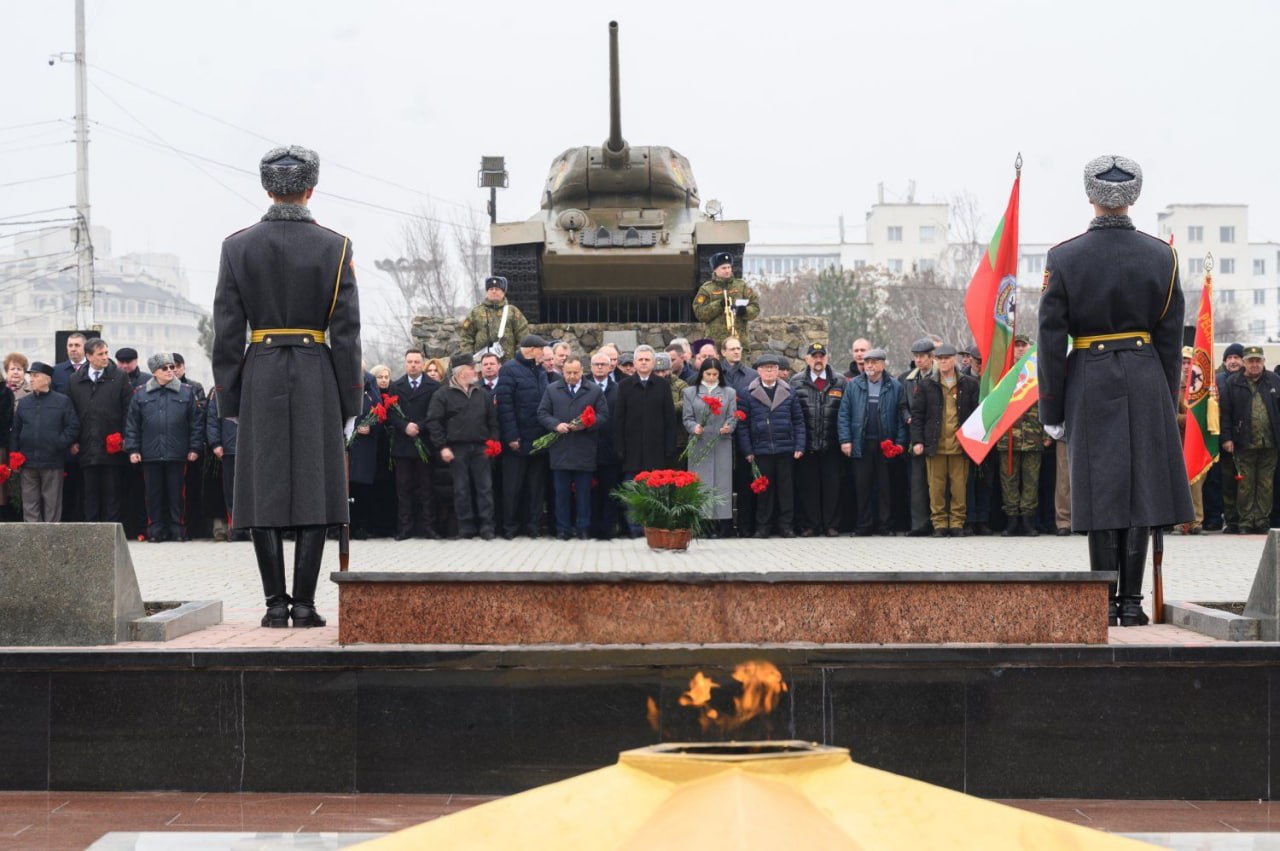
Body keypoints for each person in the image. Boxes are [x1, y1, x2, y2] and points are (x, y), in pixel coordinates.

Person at [1038, 154, 1192, 627]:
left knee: (1100, 489)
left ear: (1090, 196)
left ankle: (1102, 603)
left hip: (1090, 375)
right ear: (1134, 197)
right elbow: (1170, 337)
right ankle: (1131, 604)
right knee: (1143, 489)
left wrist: (1052, 406)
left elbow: (1049, 336)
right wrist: (1167, 400)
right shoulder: (1161, 255)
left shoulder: (1064, 257)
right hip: (1146, 375)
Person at [212, 144, 362, 628]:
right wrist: (350, 401)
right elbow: (346, 332)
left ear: (266, 188)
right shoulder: (335, 246)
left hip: (260, 373)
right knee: (317, 487)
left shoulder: (237, 246)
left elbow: (228, 331)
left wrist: (231, 398)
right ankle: (306, 605)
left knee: (262, 488)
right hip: (317, 370)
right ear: (310, 189)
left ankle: (275, 605)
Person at [125, 353, 204, 542]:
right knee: (153, 495)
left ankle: (178, 529)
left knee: (178, 495)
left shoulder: (186, 392)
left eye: (171, 367)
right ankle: (155, 530)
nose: (170, 371)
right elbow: (132, 425)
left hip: (178, 453)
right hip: (150, 454)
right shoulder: (141, 394)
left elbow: (196, 423)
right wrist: (133, 449)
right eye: (165, 368)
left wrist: (195, 447)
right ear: (154, 372)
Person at [427, 353, 499, 539]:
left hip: (481, 448)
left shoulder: (482, 393)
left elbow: (493, 421)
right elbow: (434, 422)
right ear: (460, 372)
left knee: (485, 488)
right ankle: (466, 528)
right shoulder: (442, 394)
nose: (475, 371)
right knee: (461, 489)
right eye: (470, 368)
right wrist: (442, 446)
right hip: (456, 449)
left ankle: (487, 527)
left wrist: (493, 442)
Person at [910, 343, 978, 537]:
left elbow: (975, 415)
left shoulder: (969, 383)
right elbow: (917, 416)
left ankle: (957, 523)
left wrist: (974, 442)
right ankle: (939, 524)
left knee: (959, 488)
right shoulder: (926, 384)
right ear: (935, 360)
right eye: (939, 359)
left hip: (959, 446)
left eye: (947, 358)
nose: (943, 362)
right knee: (936, 488)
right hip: (935, 445)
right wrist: (917, 441)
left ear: (954, 359)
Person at [537, 355, 608, 540]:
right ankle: (563, 529)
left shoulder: (593, 391)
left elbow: (603, 415)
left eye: (575, 373)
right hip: (560, 449)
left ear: (582, 371)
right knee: (561, 494)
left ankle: (583, 528)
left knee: (584, 494)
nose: (571, 376)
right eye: (568, 373)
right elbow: (542, 413)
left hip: (584, 450)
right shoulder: (552, 389)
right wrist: (555, 425)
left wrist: (586, 423)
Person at [839, 348, 908, 536]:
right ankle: (864, 525)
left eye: (874, 362)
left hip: (885, 444)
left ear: (883, 364)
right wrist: (845, 440)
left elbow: (901, 417)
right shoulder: (853, 385)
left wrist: (900, 443)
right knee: (862, 487)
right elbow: (844, 414)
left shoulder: (894, 386)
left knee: (885, 487)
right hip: (861, 443)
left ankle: (885, 525)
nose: (869, 365)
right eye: (867, 362)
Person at [66, 337, 134, 524]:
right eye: (100, 354)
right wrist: (73, 441)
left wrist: (124, 437)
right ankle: (92, 530)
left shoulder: (119, 377)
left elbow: (129, 409)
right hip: (86, 446)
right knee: (89, 492)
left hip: (112, 445)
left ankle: (112, 530)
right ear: (88, 356)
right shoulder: (75, 380)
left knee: (112, 491)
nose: (105, 357)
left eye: (106, 353)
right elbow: (70, 412)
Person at [737, 352, 805, 537]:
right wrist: (748, 450)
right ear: (758, 370)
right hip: (761, 449)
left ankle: (786, 526)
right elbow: (742, 425)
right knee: (763, 491)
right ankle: (763, 527)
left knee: (786, 491)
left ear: (778, 371)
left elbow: (798, 420)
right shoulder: (747, 393)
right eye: (765, 368)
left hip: (785, 448)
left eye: (773, 368)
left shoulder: (789, 392)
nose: (769, 371)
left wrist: (799, 445)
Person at [613, 345, 676, 536]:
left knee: (655, 491)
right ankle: (634, 529)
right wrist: (619, 446)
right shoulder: (624, 386)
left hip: (655, 449)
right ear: (634, 362)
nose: (643, 362)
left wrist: (669, 446)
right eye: (640, 359)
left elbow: (669, 418)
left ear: (653, 362)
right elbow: (618, 419)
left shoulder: (663, 385)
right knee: (632, 490)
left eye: (647, 360)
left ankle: (653, 528)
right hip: (631, 450)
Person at [1220, 346, 1280, 535]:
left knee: (1265, 484)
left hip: (1270, 443)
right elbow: (1226, 413)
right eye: (1251, 361)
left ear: (1263, 362)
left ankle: (1261, 521)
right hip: (1243, 441)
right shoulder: (1233, 382)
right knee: (1245, 484)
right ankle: (1245, 521)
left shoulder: (1274, 380)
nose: (1254, 364)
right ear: (1244, 362)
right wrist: (1227, 437)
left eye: (1258, 360)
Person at [496, 334, 551, 538]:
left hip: (538, 439)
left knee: (535, 488)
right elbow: (505, 405)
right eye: (541, 350)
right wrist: (511, 436)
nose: (544, 354)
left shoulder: (540, 370)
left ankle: (533, 527)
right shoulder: (510, 369)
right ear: (530, 350)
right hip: (517, 440)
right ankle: (510, 527)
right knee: (513, 487)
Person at [10, 361, 78, 522]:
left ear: (47, 379)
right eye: (31, 376)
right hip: (27, 462)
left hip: (52, 461)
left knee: (52, 504)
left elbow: (73, 426)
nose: (31, 379)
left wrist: (58, 444)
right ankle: (33, 540)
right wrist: (14, 454)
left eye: (35, 376)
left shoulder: (62, 401)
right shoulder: (25, 402)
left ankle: (50, 539)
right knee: (29, 504)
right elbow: (16, 430)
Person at [792, 343, 847, 537]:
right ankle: (810, 525)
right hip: (807, 444)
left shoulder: (840, 381)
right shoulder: (796, 381)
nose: (818, 360)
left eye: (821, 356)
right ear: (807, 359)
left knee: (833, 487)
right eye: (814, 356)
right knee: (808, 488)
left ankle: (831, 525)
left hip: (832, 443)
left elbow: (845, 412)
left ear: (827, 358)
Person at [996, 335, 1048, 537]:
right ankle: (1011, 520)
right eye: (1016, 346)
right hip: (1007, 436)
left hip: (1033, 435)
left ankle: (1027, 521)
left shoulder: (1038, 372)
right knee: (1008, 480)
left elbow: (1046, 402)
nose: (1019, 349)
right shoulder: (1003, 374)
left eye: (1022, 345)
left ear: (1030, 348)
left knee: (1031, 481)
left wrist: (1046, 432)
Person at [682, 357, 738, 537]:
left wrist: (729, 426)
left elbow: (732, 416)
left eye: (715, 374)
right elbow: (687, 418)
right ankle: (702, 524)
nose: (712, 377)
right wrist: (694, 427)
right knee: (701, 483)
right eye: (708, 374)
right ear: (702, 374)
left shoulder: (728, 392)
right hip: (700, 442)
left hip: (721, 442)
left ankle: (722, 525)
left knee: (722, 483)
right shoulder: (691, 392)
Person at [388, 349, 440, 540]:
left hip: (424, 444)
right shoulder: (396, 386)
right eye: (409, 361)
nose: (413, 365)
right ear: (405, 363)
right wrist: (405, 426)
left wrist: (419, 426)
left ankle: (428, 527)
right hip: (403, 445)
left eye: (417, 362)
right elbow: (391, 414)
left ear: (422, 364)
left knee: (426, 488)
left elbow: (435, 414)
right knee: (404, 489)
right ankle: (405, 528)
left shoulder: (433, 386)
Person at [900, 337, 936, 535]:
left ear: (932, 357)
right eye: (916, 357)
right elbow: (903, 404)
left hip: (936, 434)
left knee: (938, 482)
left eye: (922, 357)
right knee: (918, 483)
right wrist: (907, 418)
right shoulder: (909, 379)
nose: (918, 361)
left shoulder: (942, 376)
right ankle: (919, 524)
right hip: (915, 435)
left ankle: (939, 522)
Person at [693, 252, 760, 353]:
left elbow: (755, 307)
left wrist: (744, 311)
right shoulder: (706, 289)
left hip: (739, 343)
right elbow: (699, 313)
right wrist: (718, 305)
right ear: (715, 270)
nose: (727, 271)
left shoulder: (742, 286)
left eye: (729, 267)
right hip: (717, 346)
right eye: (723, 268)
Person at [587, 350, 623, 539]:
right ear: (590, 366)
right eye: (596, 364)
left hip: (611, 449)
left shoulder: (618, 389)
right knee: (590, 490)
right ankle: (592, 526)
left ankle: (609, 527)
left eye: (603, 364)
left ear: (611, 367)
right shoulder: (584, 386)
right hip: (587, 448)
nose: (600, 367)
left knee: (610, 489)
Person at [206, 385, 247, 542]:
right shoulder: (219, 391)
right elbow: (212, 419)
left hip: (251, 449)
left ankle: (251, 528)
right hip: (229, 448)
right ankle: (235, 528)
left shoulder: (253, 383)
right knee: (231, 492)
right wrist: (215, 443)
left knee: (251, 492)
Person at [459, 276, 529, 361]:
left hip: (508, 363)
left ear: (503, 292)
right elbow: (466, 337)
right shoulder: (476, 312)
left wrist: (518, 358)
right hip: (482, 364)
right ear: (487, 292)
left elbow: (523, 336)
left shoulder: (512, 312)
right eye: (491, 289)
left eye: (497, 289)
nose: (494, 291)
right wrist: (469, 359)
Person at [1217, 342, 1246, 533]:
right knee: (1227, 482)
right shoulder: (1217, 381)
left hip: (1245, 440)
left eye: (1237, 357)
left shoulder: (1251, 379)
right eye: (1230, 358)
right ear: (1225, 361)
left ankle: (1246, 520)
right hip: (1224, 439)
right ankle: (1231, 520)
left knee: (1245, 484)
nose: (1233, 361)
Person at [654, 352, 689, 466]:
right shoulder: (649, 385)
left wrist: (667, 407)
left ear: (669, 370)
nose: (660, 374)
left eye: (663, 371)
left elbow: (687, 403)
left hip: (677, 439)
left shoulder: (681, 385)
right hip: (654, 440)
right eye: (657, 371)